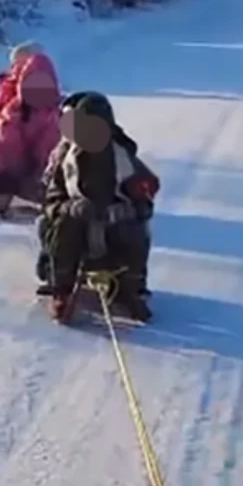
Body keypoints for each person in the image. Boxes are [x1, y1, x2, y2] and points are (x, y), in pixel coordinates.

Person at [36, 92, 159, 322]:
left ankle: (129, 289)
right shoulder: (66, 161)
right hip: (79, 229)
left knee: (134, 231)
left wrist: (127, 210)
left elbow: (146, 198)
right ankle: (61, 288)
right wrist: (69, 208)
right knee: (63, 226)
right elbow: (50, 202)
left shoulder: (125, 160)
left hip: (113, 230)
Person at [0, 44, 61, 216]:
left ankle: (2, 194)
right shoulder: (52, 111)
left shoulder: (17, 110)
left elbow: (8, 140)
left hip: (30, 172)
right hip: (35, 174)